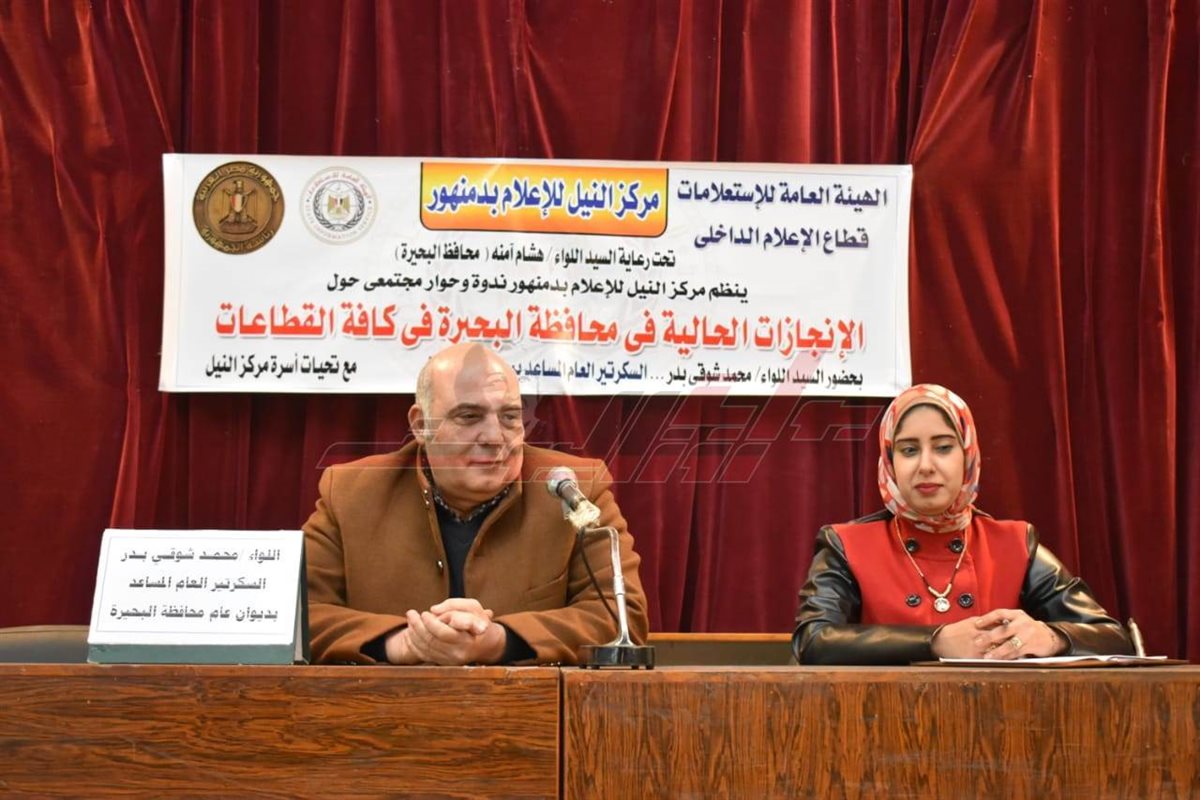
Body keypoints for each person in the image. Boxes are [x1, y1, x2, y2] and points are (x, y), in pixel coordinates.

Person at [303, 342, 648, 665]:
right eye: (469, 417)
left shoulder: (573, 490)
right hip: (381, 706)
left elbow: (622, 618)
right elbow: (299, 614)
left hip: (527, 706)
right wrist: (402, 643)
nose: (495, 438)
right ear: (421, 425)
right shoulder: (351, 493)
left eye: (510, 417)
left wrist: (500, 641)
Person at [793, 384, 1132, 665]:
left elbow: (1113, 637)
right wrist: (935, 642)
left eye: (943, 447)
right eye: (909, 450)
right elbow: (813, 641)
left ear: (968, 455)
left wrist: (1052, 637)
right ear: (890, 462)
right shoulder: (846, 544)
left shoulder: (1015, 542)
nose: (926, 465)